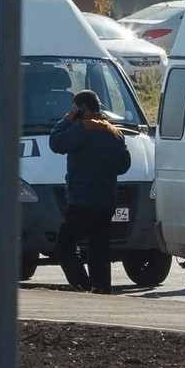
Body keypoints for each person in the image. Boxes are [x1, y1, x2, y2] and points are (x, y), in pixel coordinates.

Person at [49, 89, 131, 293]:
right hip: (106, 202)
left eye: (74, 108)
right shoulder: (115, 132)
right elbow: (123, 165)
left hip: (83, 201)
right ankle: (101, 290)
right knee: (99, 248)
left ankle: (83, 286)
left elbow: (56, 143)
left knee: (65, 245)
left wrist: (65, 121)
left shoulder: (82, 129)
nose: (72, 111)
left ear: (81, 108)